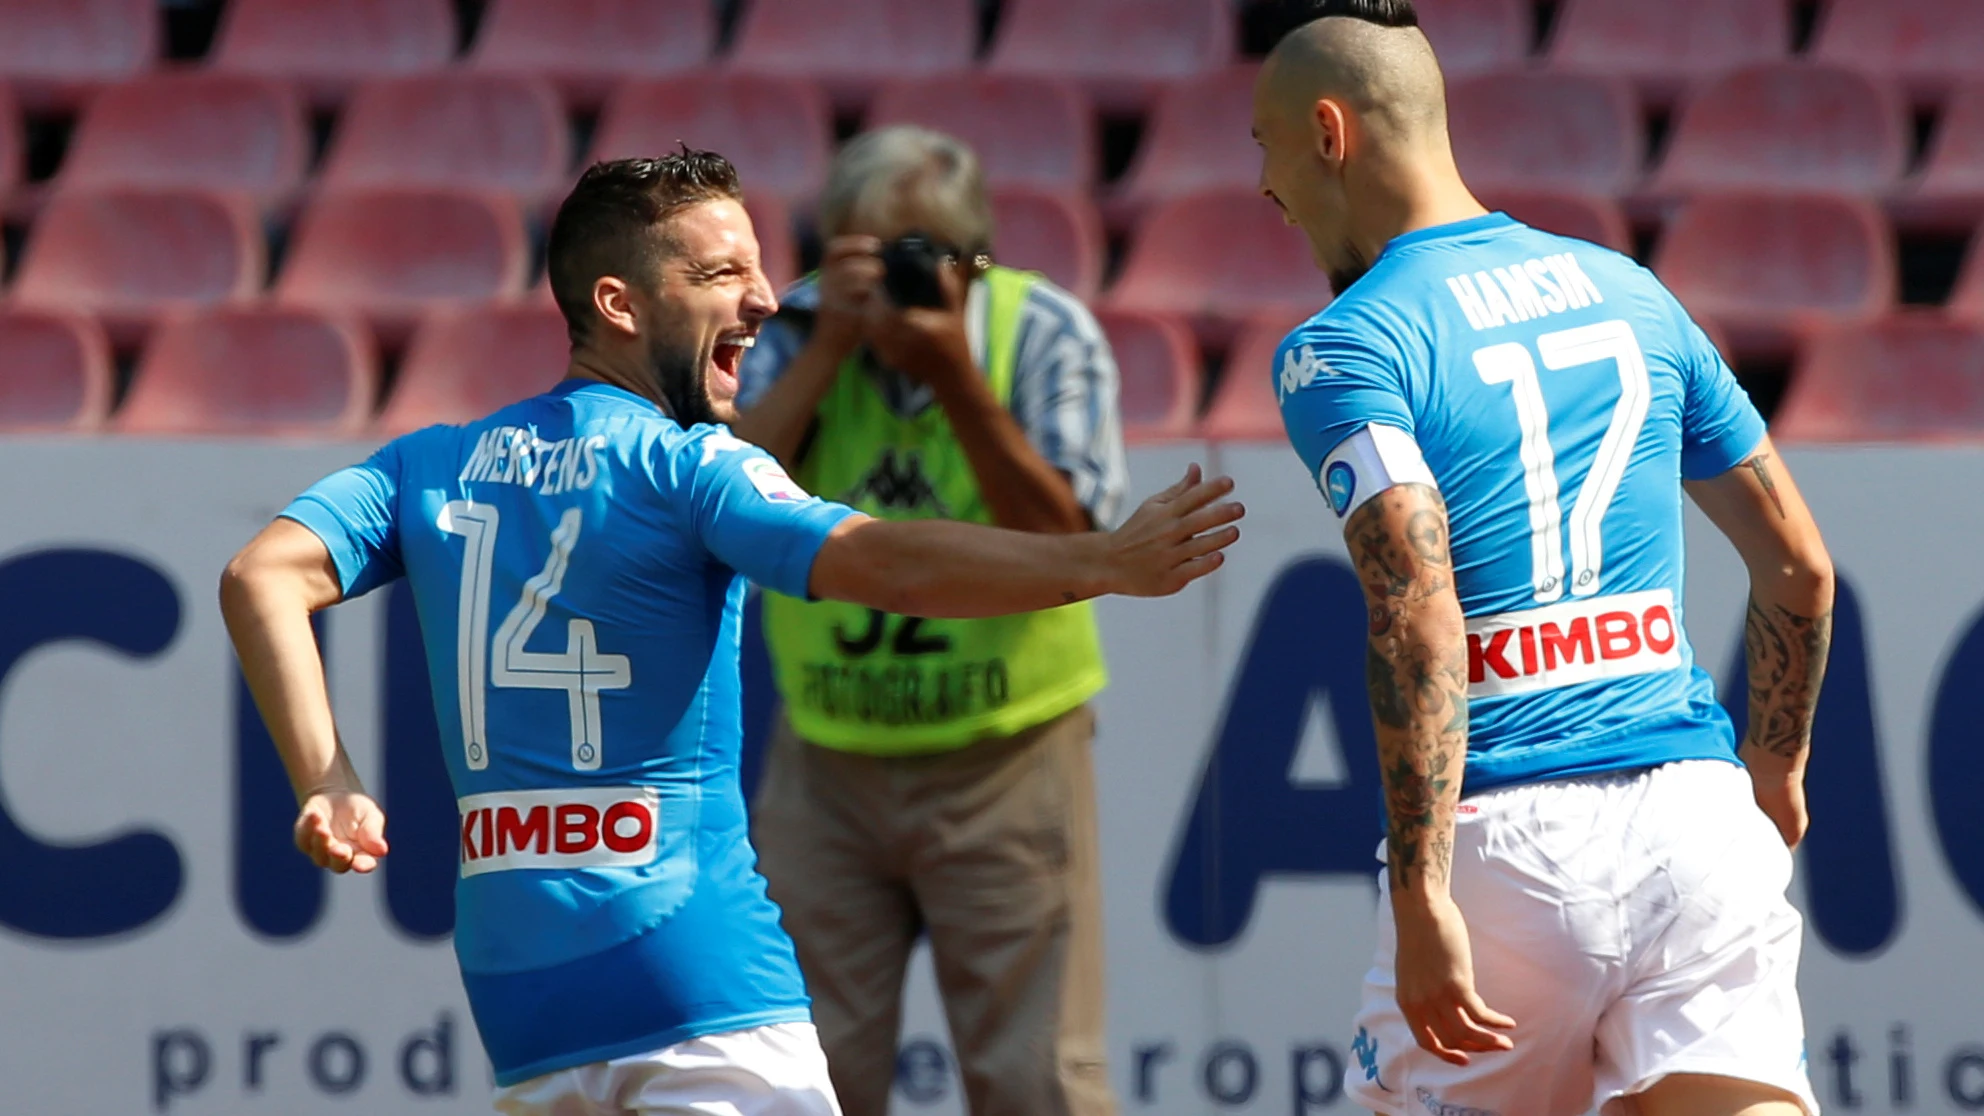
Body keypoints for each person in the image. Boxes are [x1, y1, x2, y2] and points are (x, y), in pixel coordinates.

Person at [217, 151, 1243, 1116]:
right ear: (617, 304)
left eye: (762, 271)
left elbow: (260, 575)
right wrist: (1099, 564)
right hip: (693, 978)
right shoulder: (693, 466)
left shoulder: (430, 463)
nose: (764, 299)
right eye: (723, 273)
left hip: (518, 988)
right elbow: (878, 561)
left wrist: (326, 778)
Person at [1250, 4, 1834, 1115]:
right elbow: (1798, 565)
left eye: (1262, 145)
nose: (1263, 186)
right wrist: (1772, 768)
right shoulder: (1631, 290)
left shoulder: (1341, 346)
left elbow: (1414, 608)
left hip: (1509, 845)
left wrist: (1422, 899)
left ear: (1327, 132)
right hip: (1697, 822)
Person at [729, 126, 1127, 1116]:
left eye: (913, 259)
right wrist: (825, 347)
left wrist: (953, 374)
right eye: (857, 257)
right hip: (826, 763)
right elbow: (721, 506)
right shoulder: (788, 332)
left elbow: (1069, 551)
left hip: (1006, 755)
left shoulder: (1041, 333)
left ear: (970, 260)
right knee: (801, 1081)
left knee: (1037, 1082)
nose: (883, 286)